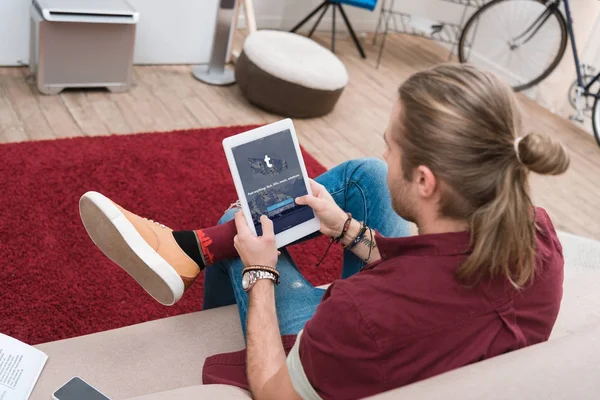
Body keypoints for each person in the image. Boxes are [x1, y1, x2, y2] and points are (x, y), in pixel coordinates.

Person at [79, 63, 570, 400]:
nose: (386, 153)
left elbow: (277, 391)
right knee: (366, 178)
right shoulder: (540, 238)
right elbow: (437, 273)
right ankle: (192, 250)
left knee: (243, 223)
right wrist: (347, 230)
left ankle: (199, 251)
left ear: (425, 181)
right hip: (428, 326)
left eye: (392, 146)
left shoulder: (360, 313)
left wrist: (260, 274)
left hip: (354, 349)